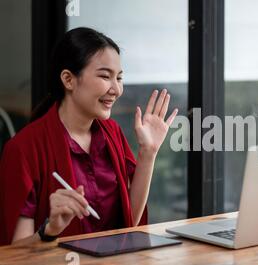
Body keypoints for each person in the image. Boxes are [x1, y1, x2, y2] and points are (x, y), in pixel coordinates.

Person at [0, 27, 177, 245]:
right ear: (68, 79)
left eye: (119, 78)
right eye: (105, 76)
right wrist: (50, 230)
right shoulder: (23, 148)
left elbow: (130, 222)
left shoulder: (112, 132)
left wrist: (148, 153)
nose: (117, 89)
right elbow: (15, 254)